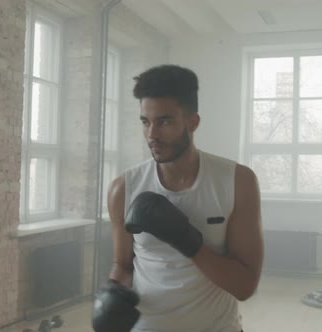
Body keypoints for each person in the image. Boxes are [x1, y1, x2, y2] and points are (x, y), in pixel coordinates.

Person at [92, 64, 264, 332]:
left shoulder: (237, 182)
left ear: (193, 122)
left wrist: (186, 240)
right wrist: (111, 295)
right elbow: (123, 265)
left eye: (164, 121)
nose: (152, 135)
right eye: (145, 122)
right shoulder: (123, 189)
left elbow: (245, 286)